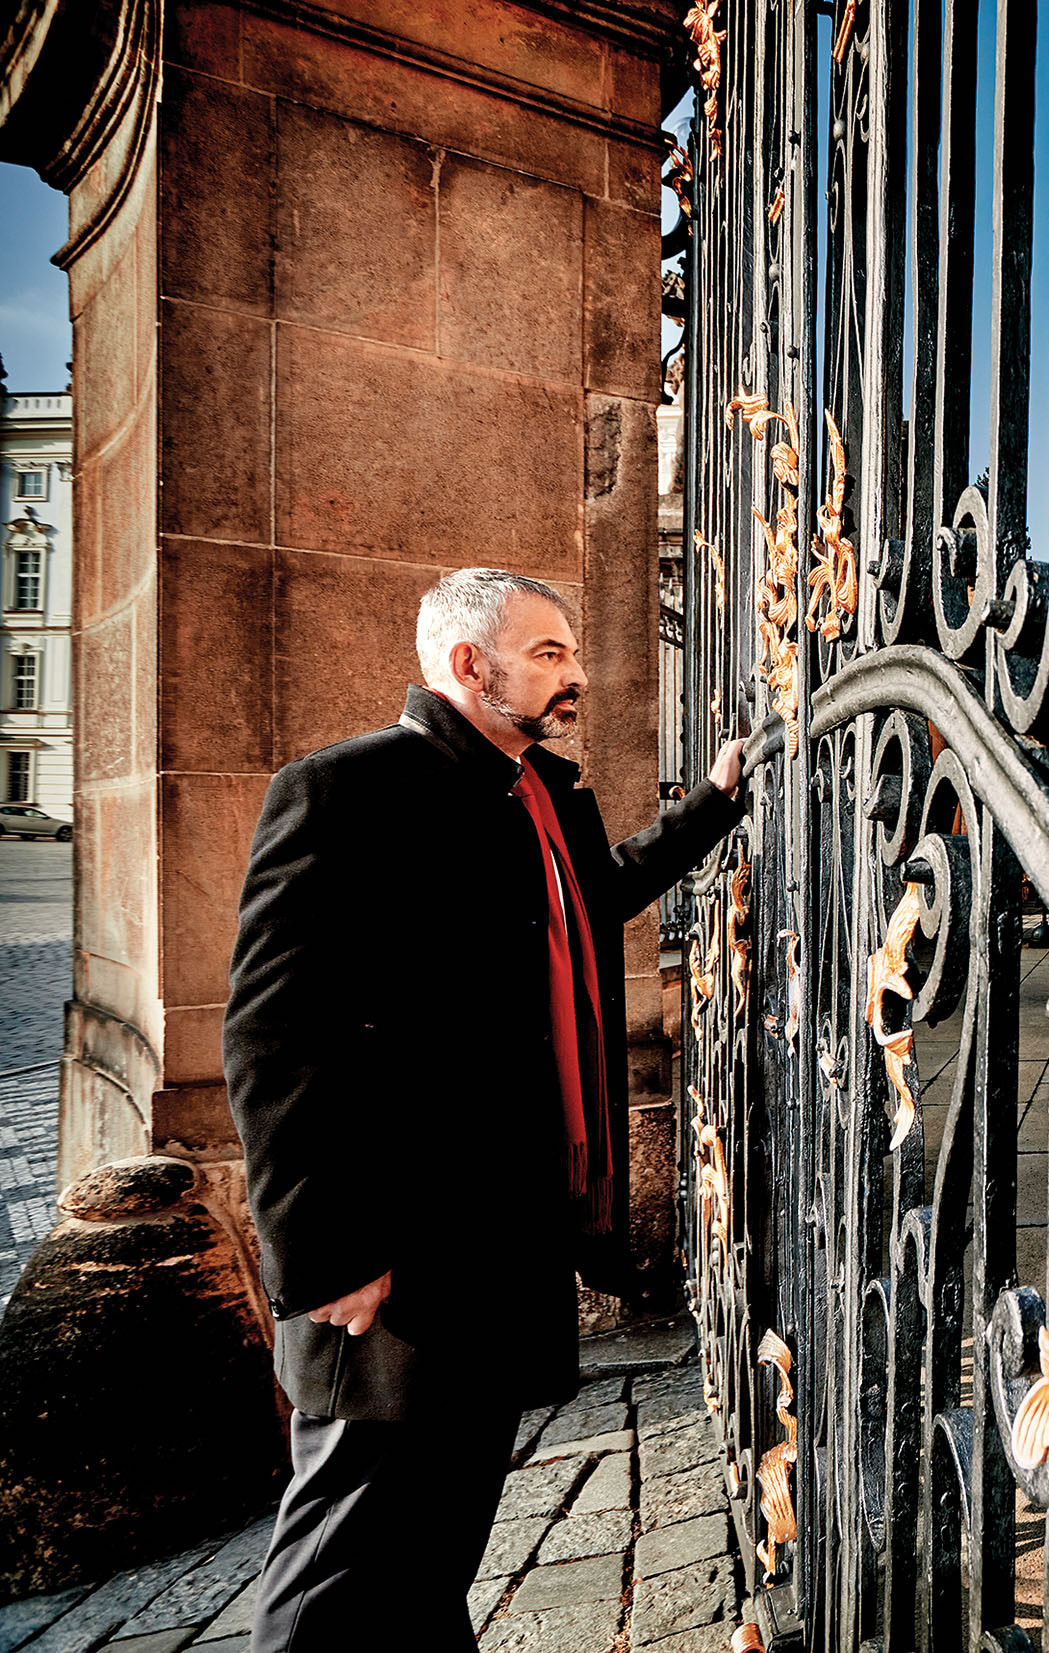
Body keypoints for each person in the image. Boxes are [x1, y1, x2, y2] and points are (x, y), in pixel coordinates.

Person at [225, 568, 770, 1650]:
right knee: (342, 1554)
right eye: (549, 653)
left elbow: (590, 897)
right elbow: (270, 1037)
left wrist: (711, 804)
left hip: (503, 1243)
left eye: (570, 650)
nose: (575, 673)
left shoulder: (543, 795)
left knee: (438, 1543)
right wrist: (326, 1251)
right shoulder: (341, 792)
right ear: (470, 664)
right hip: (393, 1260)